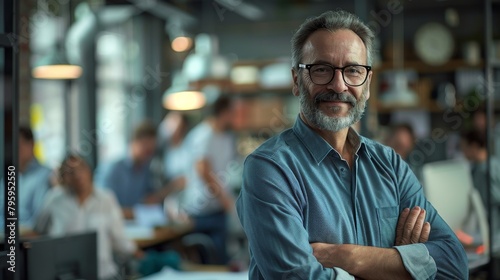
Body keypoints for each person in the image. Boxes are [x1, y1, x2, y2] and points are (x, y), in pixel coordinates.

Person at [236, 10, 467, 280]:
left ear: (367, 84)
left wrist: (346, 256)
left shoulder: (389, 164)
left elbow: (454, 266)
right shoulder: (269, 169)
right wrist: (401, 266)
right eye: (321, 69)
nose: (338, 85)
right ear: (297, 81)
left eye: (353, 70)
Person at [35, 154, 142, 280]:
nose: (77, 175)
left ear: (89, 171)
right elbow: (38, 233)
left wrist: (138, 253)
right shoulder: (53, 200)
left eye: (81, 169)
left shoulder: (106, 199)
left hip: (103, 274)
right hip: (64, 275)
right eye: (71, 172)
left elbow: (119, 239)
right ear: (63, 177)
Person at [179, 95, 237, 264]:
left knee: (221, 258)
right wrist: (223, 198)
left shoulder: (226, 138)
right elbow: (203, 170)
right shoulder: (203, 135)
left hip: (218, 208)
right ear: (224, 112)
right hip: (201, 209)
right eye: (233, 112)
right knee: (207, 260)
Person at [94, 120, 182, 219]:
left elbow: (150, 201)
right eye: (146, 150)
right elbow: (103, 208)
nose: (149, 156)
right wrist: (139, 213)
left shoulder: (146, 170)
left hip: (139, 228)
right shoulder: (112, 169)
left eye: (151, 152)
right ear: (133, 142)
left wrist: (169, 189)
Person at [0, 125, 53, 231]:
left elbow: (38, 220)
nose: (14, 150)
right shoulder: (8, 175)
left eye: (18, 145)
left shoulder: (44, 175)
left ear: (31, 145)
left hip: (27, 238)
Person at [460, 128, 500, 231]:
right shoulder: (482, 167)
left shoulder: (487, 170)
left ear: (474, 146)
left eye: (464, 147)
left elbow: (494, 203)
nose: (462, 151)